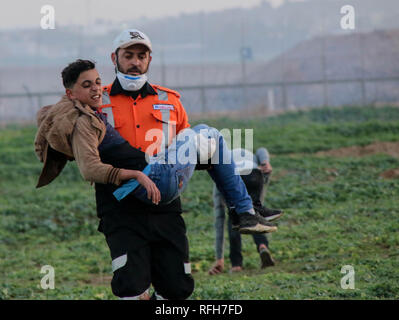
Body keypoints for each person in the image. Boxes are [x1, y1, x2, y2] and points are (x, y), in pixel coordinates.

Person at [34, 30, 275, 300]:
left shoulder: (170, 100)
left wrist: (202, 161)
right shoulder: (94, 102)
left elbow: (191, 156)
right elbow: (70, 133)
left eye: (142, 56)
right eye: (128, 55)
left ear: (150, 59)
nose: (135, 62)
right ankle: (244, 210)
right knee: (131, 287)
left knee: (176, 289)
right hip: (120, 209)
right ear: (114, 58)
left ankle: (244, 209)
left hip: (166, 208)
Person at [209, 148, 283, 275]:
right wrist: (266, 162)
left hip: (234, 177)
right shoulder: (251, 156)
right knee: (253, 215)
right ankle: (262, 246)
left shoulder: (220, 175)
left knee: (234, 219)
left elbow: (219, 218)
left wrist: (219, 258)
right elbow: (261, 150)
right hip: (254, 174)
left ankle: (236, 264)